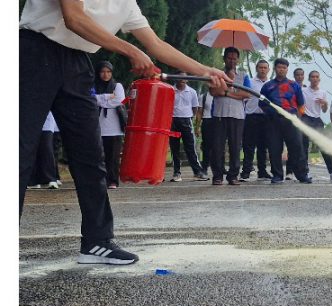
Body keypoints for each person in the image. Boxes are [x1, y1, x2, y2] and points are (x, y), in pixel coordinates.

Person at [19, 0, 226, 263]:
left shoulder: (127, 4)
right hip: (34, 53)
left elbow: (157, 45)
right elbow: (74, 18)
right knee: (19, 150)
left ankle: (97, 242)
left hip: (78, 64)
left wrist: (207, 71)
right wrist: (130, 51)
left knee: (90, 156)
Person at [260, 57, 312, 184]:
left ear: (287, 69)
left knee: (297, 148)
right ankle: (277, 175)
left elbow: (301, 105)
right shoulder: (267, 86)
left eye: (284, 67)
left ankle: (302, 175)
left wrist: (297, 119)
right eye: (279, 67)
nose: (281, 70)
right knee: (274, 149)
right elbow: (261, 104)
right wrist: (272, 112)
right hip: (273, 122)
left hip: (291, 121)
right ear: (275, 68)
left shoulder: (294, 85)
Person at [209, 46, 250, 186]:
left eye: (234, 58)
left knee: (235, 146)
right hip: (219, 114)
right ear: (224, 58)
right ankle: (218, 175)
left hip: (237, 116)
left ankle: (233, 176)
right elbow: (213, 91)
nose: (232, 61)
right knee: (218, 146)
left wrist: (226, 92)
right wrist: (230, 87)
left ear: (238, 60)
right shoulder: (217, 74)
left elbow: (247, 94)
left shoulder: (243, 75)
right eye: (229, 58)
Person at [300, 70, 332, 180]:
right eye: (313, 77)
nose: (315, 79)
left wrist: (325, 103)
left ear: (319, 79)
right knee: (304, 146)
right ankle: (306, 172)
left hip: (317, 120)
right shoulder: (303, 91)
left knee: (324, 145)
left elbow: (325, 110)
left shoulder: (322, 92)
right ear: (309, 78)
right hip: (305, 119)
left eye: (317, 77)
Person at [93, 61, 125, 190]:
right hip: (98, 127)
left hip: (115, 128)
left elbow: (119, 100)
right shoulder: (94, 85)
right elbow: (91, 99)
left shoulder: (117, 86)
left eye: (108, 72)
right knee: (99, 156)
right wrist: (108, 97)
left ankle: (112, 181)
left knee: (113, 157)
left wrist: (101, 101)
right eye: (102, 72)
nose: (105, 75)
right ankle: (100, 180)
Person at [169, 76, 208, 181]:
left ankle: (197, 171)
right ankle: (177, 173)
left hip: (186, 120)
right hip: (173, 121)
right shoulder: (170, 90)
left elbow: (195, 108)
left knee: (190, 148)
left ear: (187, 79)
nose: (182, 79)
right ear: (175, 79)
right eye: (179, 77)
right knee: (174, 148)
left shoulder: (192, 92)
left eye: (184, 77)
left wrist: (190, 117)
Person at [242, 59, 271, 180]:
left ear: (269, 70)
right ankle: (246, 171)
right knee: (249, 146)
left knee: (263, 146)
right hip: (251, 116)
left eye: (265, 68)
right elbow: (244, 98)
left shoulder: (271, 84)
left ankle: (262, 171)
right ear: (257, 69)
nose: (263, 70)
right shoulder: (250, 82)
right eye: (261, 67)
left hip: (266, 118)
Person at [29, 112, 62, 189]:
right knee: (33, 149)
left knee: (47, 148)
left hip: (47, 123)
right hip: (32, 122)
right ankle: (33, 180)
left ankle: (50, 178)